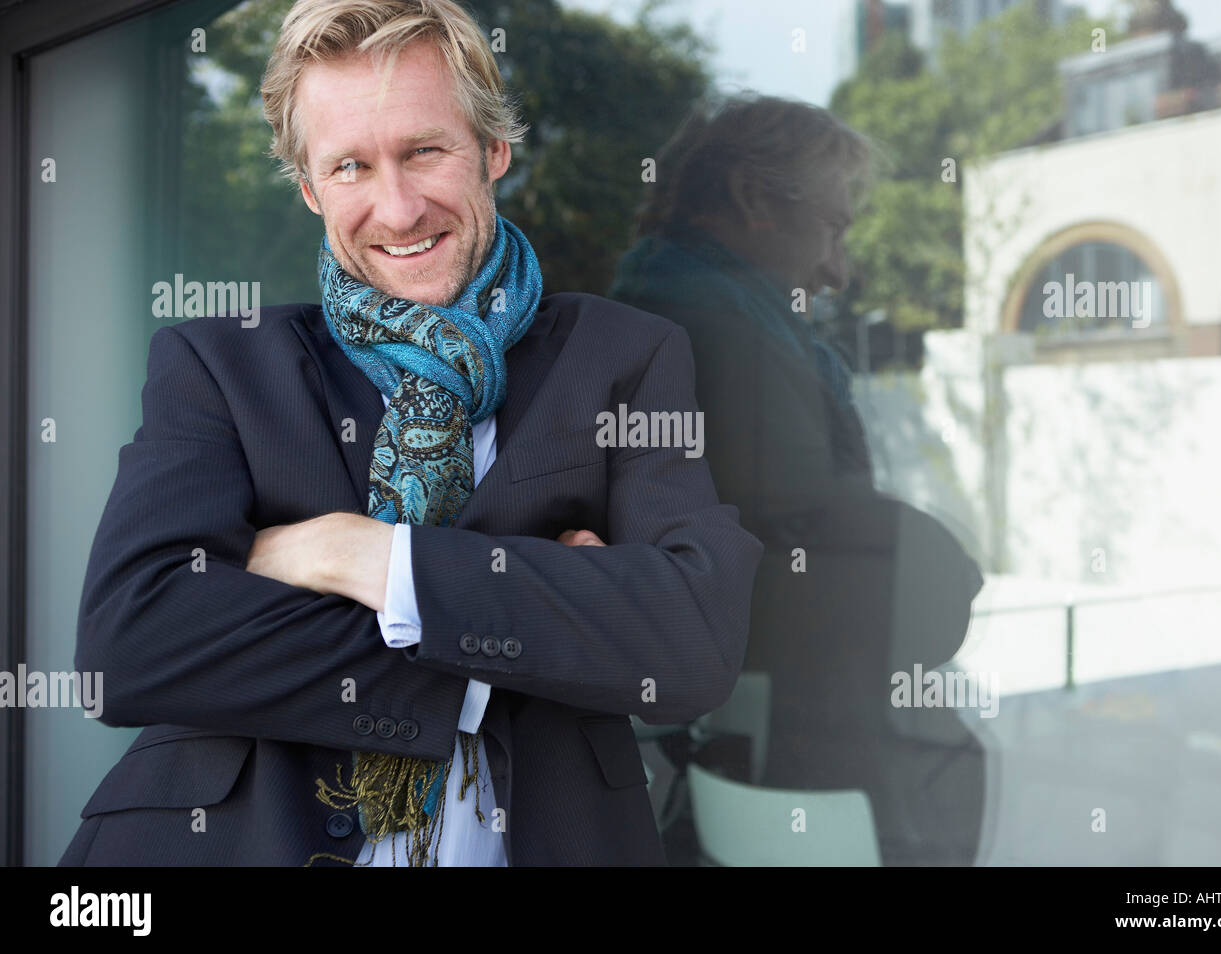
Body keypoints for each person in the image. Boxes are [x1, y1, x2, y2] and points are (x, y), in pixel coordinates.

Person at [59, 0, 760, 867]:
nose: (396, 210)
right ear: (312, 189)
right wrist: (548, 613)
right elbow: (130, 645)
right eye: (351, 167)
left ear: (493, 150)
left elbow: (692, 641)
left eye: (424, 151)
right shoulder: (220, 366)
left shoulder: (623, 356)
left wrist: (357, 558)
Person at [608, 94, 986, 865]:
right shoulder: (723, 340)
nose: (839, 272)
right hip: (802, 762)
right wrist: (942, 573)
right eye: (832, 229)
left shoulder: (680, 317)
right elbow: (804, 573)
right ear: (753, 199)